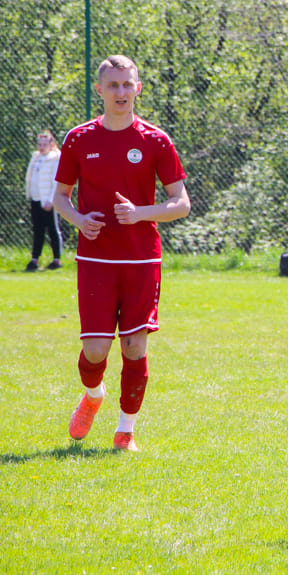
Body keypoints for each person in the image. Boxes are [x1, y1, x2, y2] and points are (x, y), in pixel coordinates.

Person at [53, 55, 190, 452]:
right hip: (95, 260)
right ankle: (93, 395)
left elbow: (180, 203)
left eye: (127, 85)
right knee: (96, 350)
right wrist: (78, 219)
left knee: (134, 346)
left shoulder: (156, 140)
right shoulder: (80, 138)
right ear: (99, 90)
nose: (121, 92)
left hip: (141, 259)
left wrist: (139, 214)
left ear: (138, 88)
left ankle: (125, 431)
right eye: (113, 85)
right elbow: (60, 197)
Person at [24, 131, 63, 271]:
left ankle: (57, 260)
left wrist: (51, 200)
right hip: (36, 198)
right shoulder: (36, 157)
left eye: (45, 144)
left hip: (48, 201)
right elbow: (31, 177)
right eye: (39, 144)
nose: (41, 147)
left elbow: (55, 181)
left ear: (51, 144)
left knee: (53, 229)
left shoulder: (55, 158)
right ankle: (34, 259)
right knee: (37, 230)